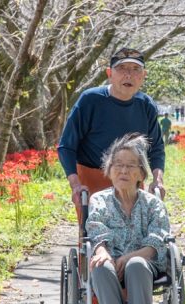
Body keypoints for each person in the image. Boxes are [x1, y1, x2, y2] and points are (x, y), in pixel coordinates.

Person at [57, 47, 166, 218]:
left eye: (135, 69)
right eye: (121, 68)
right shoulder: (90, 100)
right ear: (109, 73)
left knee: (136, 232)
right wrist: (75, 184)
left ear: (143, 75)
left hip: (131, 179)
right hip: (93, 176)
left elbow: (156, 147)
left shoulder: (146, 105)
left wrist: (157, 180)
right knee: (94, 234)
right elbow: (66, 146)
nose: (128, 75)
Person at [86, 133, 170, 304]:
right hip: (111, 261)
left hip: (146, 264)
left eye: (131, 165)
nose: (123, 171)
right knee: (100, 265)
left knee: (136, 264)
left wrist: (129, 258)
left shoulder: (153, 204)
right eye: (118, 164)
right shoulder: (99, 200)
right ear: (109, 171)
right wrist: (102, 253)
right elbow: (96, 230)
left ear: (141, 174)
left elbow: (156, 243)